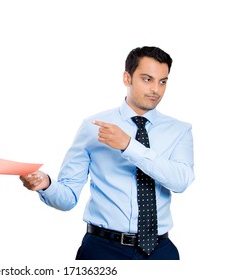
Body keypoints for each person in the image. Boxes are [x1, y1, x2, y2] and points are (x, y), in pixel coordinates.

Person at [20, 46, 195, 260]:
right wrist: (46, 184)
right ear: (127, 78)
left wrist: (129, 145)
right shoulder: (93, 127)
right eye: (147, 79)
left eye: (163, 81)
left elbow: (181, 181)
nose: (156, 90)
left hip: (160, 251)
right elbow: (68, 198)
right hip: (102, 249)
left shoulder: (179, 130)